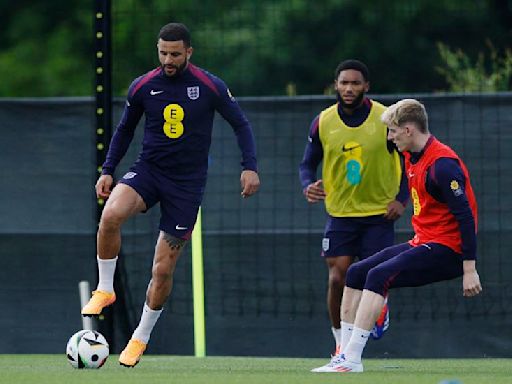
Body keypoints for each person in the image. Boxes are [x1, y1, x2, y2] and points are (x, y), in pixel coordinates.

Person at [81, 22, 260, 367]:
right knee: (110, 215)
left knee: (162, 271)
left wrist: (249, 166)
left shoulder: (209, 85)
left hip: (186, 186)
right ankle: (105, 288)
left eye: (175, 54)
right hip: (148, 171)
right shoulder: (143, 86)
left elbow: (241, 123)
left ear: (189, 52)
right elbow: (124, 130)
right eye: (163, 53)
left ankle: (140, 337)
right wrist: (107, 169)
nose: (168, 59)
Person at [312, 98, 482, 373]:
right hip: (424, 241)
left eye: (392, 131)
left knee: (378, 276)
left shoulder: (442, 165)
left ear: (409, 130)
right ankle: (342, 354)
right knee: (356, 272)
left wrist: (469, 268)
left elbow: (466, 216)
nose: (389, 137)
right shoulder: (410, 154)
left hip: (449, 250)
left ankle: (352, 360)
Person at [299, 59, 408, 356]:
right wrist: (308, 184)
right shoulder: (324, 121)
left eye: (355, 83)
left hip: (378, 215)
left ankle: (379, 308)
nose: (349, 88)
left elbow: (408, 158)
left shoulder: (386, 118)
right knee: (338, 277)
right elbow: (307, 163)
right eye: (344, 83)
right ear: (336, 85)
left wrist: (402, 200)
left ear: (366, 86)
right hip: (341, 214)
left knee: (374, 276)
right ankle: (340, 343)